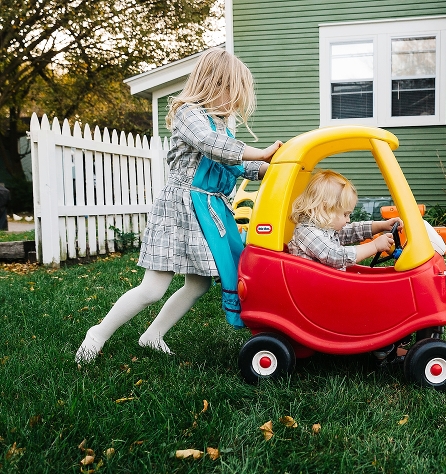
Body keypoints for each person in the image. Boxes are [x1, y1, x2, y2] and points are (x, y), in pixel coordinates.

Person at [75, 48, 283, 364]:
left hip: (208, 209)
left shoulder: (223, 126)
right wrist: (261, 152)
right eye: (232, 91)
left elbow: (236, 165)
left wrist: (275, 167)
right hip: (180, 207)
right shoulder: (189, 114)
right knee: (152, 289)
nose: (235, 101)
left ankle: (153, 335)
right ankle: (97, 334)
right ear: (215, 84)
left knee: (198, 284)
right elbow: (212, 146)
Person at [287, 170, 401, 271]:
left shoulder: (324, 228)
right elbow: (335, 256)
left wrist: (383, 225)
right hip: (313, 289)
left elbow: (352, 231)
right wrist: (374, 246)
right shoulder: (307, 232)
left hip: (325, 284)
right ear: (326, 209)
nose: (348, 219)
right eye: (345, 214)